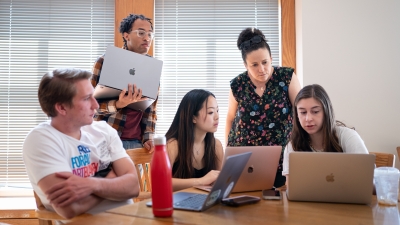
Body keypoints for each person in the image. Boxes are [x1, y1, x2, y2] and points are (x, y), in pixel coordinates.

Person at [23, 68, 139, 219]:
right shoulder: (40, 140)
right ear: (62, 107)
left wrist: (93, 185)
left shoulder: (103, 130)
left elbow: (133, 187)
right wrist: (111, 180)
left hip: (132, 220)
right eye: (86, 98)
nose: (96, 105)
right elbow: (70, 208)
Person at [225, 27, 301, 188]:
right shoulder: (237, 84)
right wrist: (228, 154)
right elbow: (230, 119)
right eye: (254, 65)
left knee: (281, 207)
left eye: (265, 62)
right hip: (244, 157)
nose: (261, 69)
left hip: (282, 157)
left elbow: (301, 111)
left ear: (271, 58)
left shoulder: (287, 77)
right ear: (245, 65)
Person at [91, 13, 157, 151]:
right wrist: (118, 104)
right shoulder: (105, 61)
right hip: (105, 141)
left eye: (150, 34)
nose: (147, 38)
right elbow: (90, 106)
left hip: (137, 144)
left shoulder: (152, 67)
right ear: (126, 35)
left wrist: (148, 138)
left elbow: (151, 110)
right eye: (141, 33)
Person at [282, 84, 369, 186]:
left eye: (315, 111)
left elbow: (368, 180)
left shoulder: (348, 137)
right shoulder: (292, 146)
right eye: (303, 112)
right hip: (308, 201)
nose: (308, 118)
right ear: (297, 114)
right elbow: (291, 186)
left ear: (326, 111)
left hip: (347, 200)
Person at [165, 89, 224, 191]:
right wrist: (201, 181)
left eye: (217, 111)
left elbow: (220, 184)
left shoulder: (216, 145)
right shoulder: (173, 145)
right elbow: (161, 181)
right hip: (176, 203)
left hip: (203, 202)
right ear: (193, 118)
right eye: (210, 112)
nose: (217, 117)